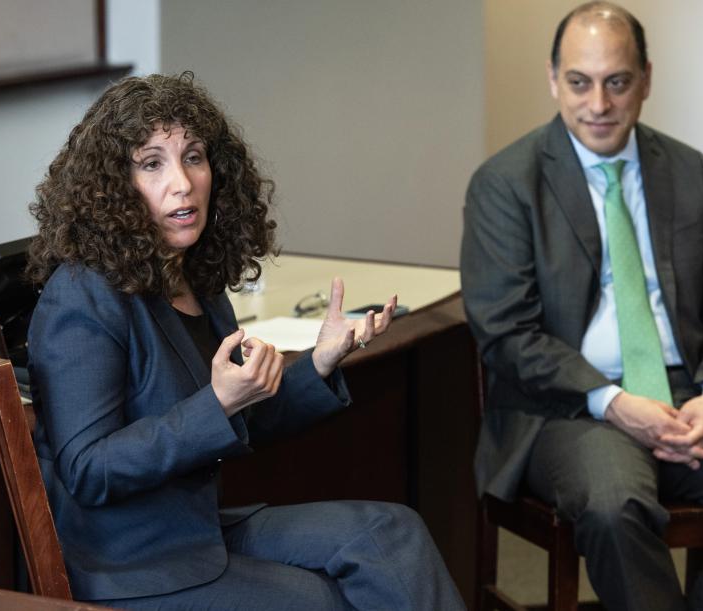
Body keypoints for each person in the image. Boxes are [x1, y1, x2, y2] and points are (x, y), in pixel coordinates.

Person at [25, 72, 464, 611]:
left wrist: (320, 363)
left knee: (392, 534)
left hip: (199, 531)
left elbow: (241, 418)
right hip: (129, 564)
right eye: (152, 163)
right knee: (321, 601)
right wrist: (218, 403)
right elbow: (89, 470)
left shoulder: (196, 281)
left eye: (194, 156)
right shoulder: (81, 295)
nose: (183, 183)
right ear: (113, 186)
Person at [461, 3, 703, 610]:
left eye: (617, 82)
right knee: (613, 506)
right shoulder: (506, 183)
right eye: (579, 82)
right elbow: (507, 335)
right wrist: (615, 403)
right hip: (571, 406)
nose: (598, 104)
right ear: (553, 79)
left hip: (689, 391)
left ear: (645, 78)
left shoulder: (688, 171)